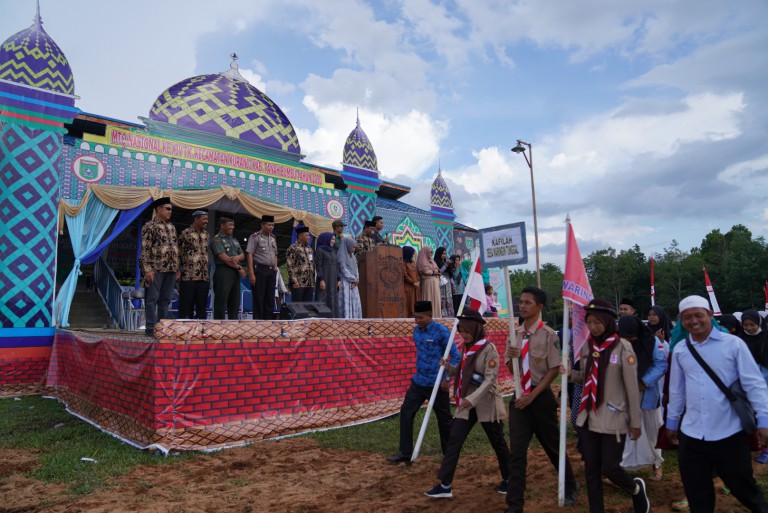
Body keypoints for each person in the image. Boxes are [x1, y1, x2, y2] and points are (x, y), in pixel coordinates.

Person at [667, 295, 768, 513]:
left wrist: (764, 419)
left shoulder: (733, 344)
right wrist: (672, 422)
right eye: (687, 317)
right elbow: (677, 390)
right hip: (692, 434)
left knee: (744, 489)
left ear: (710, 316)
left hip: (729, 432)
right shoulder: (681, 350)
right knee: (697, 495)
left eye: (698, 315)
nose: (693, 321)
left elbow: (755, 384)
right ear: (682, 321)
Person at [563, 298, 648, 513]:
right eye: (589, 322)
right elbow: (585, 376)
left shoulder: (623, 348)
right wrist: (570, 374)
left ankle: (636, 490)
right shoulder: (588, 346)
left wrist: (635, 422)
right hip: (588, 416)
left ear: (609, 321)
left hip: (614, 418)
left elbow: (632, 388)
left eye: (597, 322)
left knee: (611, 468)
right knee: (591, 471)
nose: (593, 327)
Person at [505, 287, 579, 512]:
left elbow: (554, 370)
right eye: (522, 302)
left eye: (528, 302)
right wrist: (512, 358)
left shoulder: (549, 335)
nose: (523, 305)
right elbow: (511, 369)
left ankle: (569, 487)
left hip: (540, 398)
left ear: (539, 307)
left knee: (552, 446)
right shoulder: (514, 333)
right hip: (519, 398)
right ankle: (514, 504)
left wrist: (532, 396)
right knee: (517, 452)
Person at [425, 308, 511, 499]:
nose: (463, 334)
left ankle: (510, 479)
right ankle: (445, 484)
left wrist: (472, 400)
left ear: (476, 328)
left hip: (486, 402)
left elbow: (490, 380)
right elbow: (464, 372)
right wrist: (449, 368)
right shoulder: (467, 348)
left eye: (466, 330)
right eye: (461, 331)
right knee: (454, 440)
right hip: (466, 403)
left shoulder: (489, 349)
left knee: (497, 442)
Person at [387, 300, 461, 463]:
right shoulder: (416, 331)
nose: (417, 321)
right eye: (415, 317)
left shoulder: (442, 332)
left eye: (420, 318)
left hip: (437, 384)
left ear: (429, 315)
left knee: (444, 419)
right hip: (419, 381)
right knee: (406, 412)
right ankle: (405, 452)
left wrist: (447, 379)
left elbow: (456, 356)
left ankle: (449, 455)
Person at [618, 315, 668, 480]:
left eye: (632, 337)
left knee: (651, 430)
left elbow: (661, 364)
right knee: (626, 432)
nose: (629, 341)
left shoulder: (652, 342)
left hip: (647, 394)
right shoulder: (617, 344)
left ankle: (657, 465)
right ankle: (623, 467)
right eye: (625, 337)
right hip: (624, 394)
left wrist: (644, 382)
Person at [140, 197, 179, 337]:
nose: (170, 211)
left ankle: (162, 327)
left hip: (170, 269)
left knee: (165, 300)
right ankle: (150, 328)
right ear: (158, 209)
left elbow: (175, 248)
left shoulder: (171, 227)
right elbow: (145, 249)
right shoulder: (149, 226)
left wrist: (176, 268)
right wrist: (148, 269)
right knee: (152, 299)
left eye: (171, 209)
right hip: (156, 269)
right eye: (168, 209)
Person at [741, 309, 768, 464]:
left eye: (752, 324)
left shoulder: (766, 337)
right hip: (746, 382)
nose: (749, 328)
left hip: (765, 379)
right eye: (746, 325)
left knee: (764, 413)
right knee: (749, 414)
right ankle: (754, 443)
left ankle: (766, 449)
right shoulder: (740, 340)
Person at [211, 217, 245, 320]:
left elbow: (243, 255)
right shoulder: (217, 239)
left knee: (234, 302)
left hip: (234, 273)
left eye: (233, 225)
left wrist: (238, 258)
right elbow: (224, 258)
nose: (232, 227)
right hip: (223, 272)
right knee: (221, 301)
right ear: (222, 225)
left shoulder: (234, 239)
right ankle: (218, 327)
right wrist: (239, 267)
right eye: (230, 225)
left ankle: (232, 328)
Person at [177, 210, 209, 320]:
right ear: (196, 219)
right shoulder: (185, 233)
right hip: (188, 275)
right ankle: (184, 331)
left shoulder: (206, 234)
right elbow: (178, 252)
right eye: (204, 219)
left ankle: (201, 331)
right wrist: (178, 269)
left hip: (203, 276)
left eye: (207, 219)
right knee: (186, 306)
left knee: (202, 306)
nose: (207, 221)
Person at [246, 215, 278, 320]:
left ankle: (268, 323)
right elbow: (249, 254)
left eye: (272, 225)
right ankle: (258, 323)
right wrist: (251, 273)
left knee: (270, 298)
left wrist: (275, 268)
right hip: (259, 270)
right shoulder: (255, 236)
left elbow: (275, 254)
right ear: (262, 225)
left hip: (271, 271)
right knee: (259, 298)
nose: (271, 227)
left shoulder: (273, 238)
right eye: (269, 225)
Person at [286, 225, 315, 302]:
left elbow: (312, 264)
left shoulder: (309, 249)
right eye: (307, 235)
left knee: (307, 307)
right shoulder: (293, 248)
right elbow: (290, 266)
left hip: (309, 283)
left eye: (309, 235)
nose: (309, 237)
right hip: (299, 283)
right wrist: (295, 281)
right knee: (298, 307)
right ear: (300, 236)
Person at [314, 232, 339, 318]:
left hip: (333, 279)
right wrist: (321, 279)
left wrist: (339, 280)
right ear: (326, 239)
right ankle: (322, 320)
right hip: (324, 278)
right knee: (323, 298)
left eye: (334, 240)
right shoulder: (320, 250)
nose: (333, 241)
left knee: (333, 298)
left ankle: (333, 318)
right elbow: (318, 265)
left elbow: (337, 266)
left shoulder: (333, 251)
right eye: (332, 239)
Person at [337, 237, 362, 319]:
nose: (354, 249)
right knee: (346, 302)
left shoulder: (353, 257)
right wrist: (354, 280)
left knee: (355, 302)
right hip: (346, 283)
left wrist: (357, 280)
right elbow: (343, 269)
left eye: (355, 247)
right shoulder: (341, 256)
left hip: (354, 284)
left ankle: (354, 320)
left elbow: (356, 269)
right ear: (347, 246)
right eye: (353, 247)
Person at [416, 246, 441, 318]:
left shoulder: (432, 261)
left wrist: (435, 272)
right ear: (426, 252)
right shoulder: (422, 261)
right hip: (427, 283)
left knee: (436, 300)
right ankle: (428, 317)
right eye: (430, 252)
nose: (431, 254)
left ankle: (436, 316)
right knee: (429, 298)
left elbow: (437, 270)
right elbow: (425, 271)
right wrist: (434, 272)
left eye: (432, 252)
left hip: (435, 283)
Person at [434, 247, 455, 318]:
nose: (444, 255)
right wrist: (446, 264)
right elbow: (439, 271)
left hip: (448, 283)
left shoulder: (446, 262)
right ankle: (443, 315)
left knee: (449, 298)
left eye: (445, 253)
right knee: (442, 298)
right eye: (443, 253)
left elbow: (450, 274)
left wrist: (453, 285)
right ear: (439, 254)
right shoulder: (435, 262)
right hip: (440, 283)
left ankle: (450, 315)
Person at [402, 246, 420, 318]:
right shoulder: (403, 263)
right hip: (408, 287)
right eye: (412, 253)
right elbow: (404, 275)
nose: (413, 255)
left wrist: (418, 282)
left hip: (415, 287)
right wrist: (413, 282)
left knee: (415, 304)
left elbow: (417, 274)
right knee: (408, 303)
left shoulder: (413, 263)